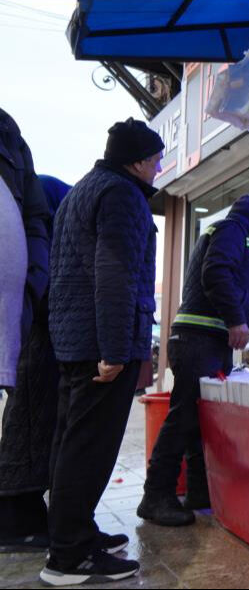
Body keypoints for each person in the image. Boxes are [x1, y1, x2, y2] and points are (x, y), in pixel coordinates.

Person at [42, 119, 163, 586]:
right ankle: (69, 557)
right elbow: (114, 272)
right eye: (154, 160)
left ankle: (73, 532)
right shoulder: (122, 195)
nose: (157, 169)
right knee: (88, 449)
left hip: (75, 338)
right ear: (135, 161)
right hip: (100, 344)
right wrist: (115, 350)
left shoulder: (84, 190)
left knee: (71, 443)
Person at [138, 195, 249, 527]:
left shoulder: (225, 232)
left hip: (202, 342)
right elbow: (215, 273)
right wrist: (236, 320)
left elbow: (237, 279)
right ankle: (156, 496)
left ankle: (201, 491)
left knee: (197, 419)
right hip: (199, 340)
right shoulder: (233, 231)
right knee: (183, 417)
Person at [0, 109, 54, 551]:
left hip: (23, 325)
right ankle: (17, 522)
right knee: (26, 428)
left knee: (24, 426)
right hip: (33, 336)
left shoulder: (11, 136)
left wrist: (31, 296)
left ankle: (21, 518)